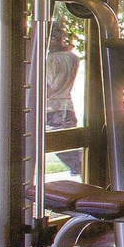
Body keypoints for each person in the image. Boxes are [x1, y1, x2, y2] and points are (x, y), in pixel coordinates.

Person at [43, 25, 82, 176]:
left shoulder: (50, 60)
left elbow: (48, 87)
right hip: (67, 107)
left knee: (61, 147)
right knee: (72, 149)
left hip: (53, 109)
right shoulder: (72, 58)